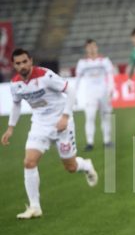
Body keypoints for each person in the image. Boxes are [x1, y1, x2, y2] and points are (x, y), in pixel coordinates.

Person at [2, 49, 98, 219]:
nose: (22, 65)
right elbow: (16, 105)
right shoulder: (15, 84)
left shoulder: (45, 76)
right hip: (39, 124)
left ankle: (86, 165)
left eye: (25, 61)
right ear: (14, 65)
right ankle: (34, 207)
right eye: (18, 63)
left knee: (70, 167)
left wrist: (65, 116)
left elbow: (71, 90)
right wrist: (10, 128)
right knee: (29, 162)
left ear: (31, 61)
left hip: (62, 124)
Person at [74, 39, 115, 150]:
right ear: (86, 49)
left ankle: (107, 141)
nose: (92, 49)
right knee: (90, 117)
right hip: (90, 94)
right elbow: (77, 80)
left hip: (103, 93)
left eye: (94, 46)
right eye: (89, 47)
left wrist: (111, 90)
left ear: (97, 47)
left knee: (106, 117)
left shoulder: (105, 61)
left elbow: (110, 77)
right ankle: (90, 142)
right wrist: (74, 94)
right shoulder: (82, 63)